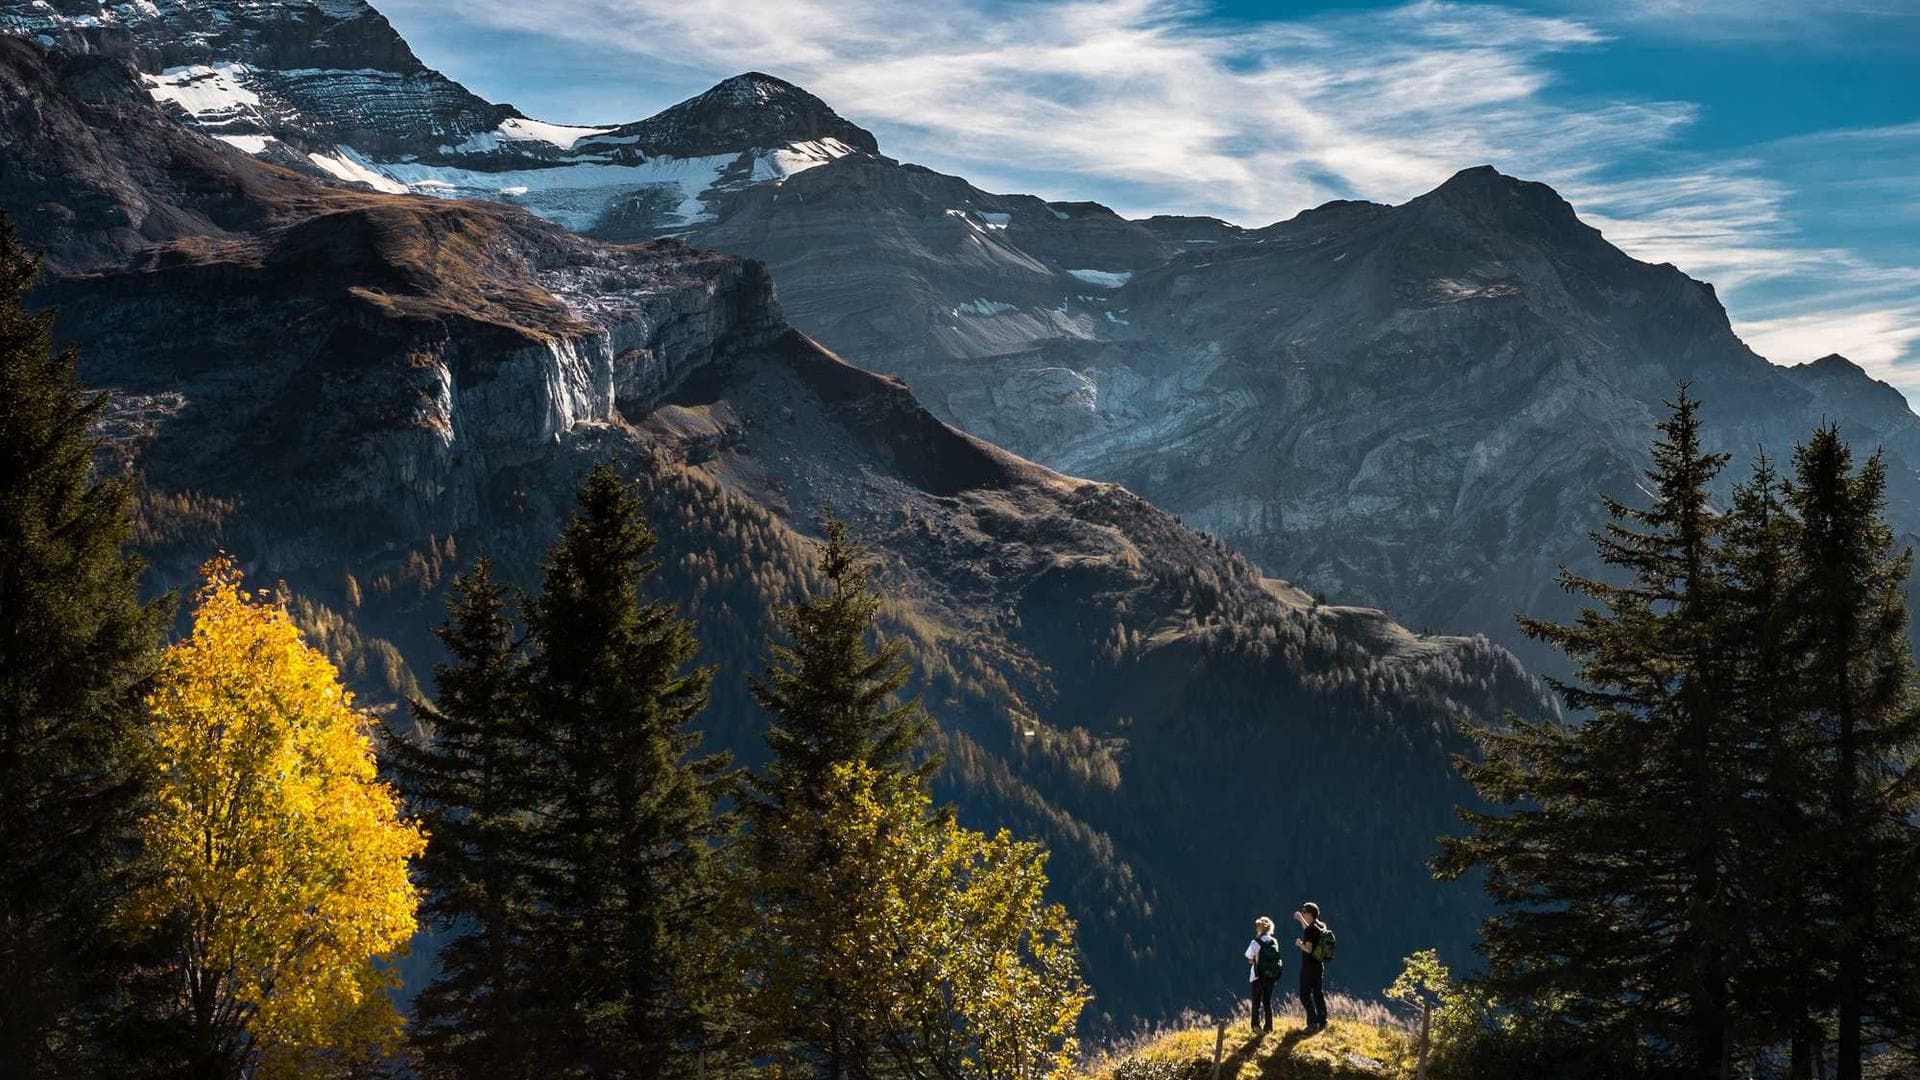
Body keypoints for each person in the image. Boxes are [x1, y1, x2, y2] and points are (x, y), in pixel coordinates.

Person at [1243, 916, 1283, 1033]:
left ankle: (1256, 1025)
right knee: (1267, 1001)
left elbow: (1249, 957)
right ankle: (1269, 1026)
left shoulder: (1255, 942)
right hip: (1271, 976)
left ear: (1259, 929)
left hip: (1258, 975)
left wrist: (1255, 960)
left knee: (1256, 1001)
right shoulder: (1274, 941)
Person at [1294, 902, 1329, 1032]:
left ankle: (1312, 1022)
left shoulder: (1310, 930)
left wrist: (1299, 944)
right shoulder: (1320, 926)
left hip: (1308, 967)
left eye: (1304, 912)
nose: (1303, 914)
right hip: (1319, 966)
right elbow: (1308, 929)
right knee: (1318, 994)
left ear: (1309, 914)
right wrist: (1300, 920)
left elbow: (1308, 949)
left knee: (1304, 995)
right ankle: (1323, 1021)